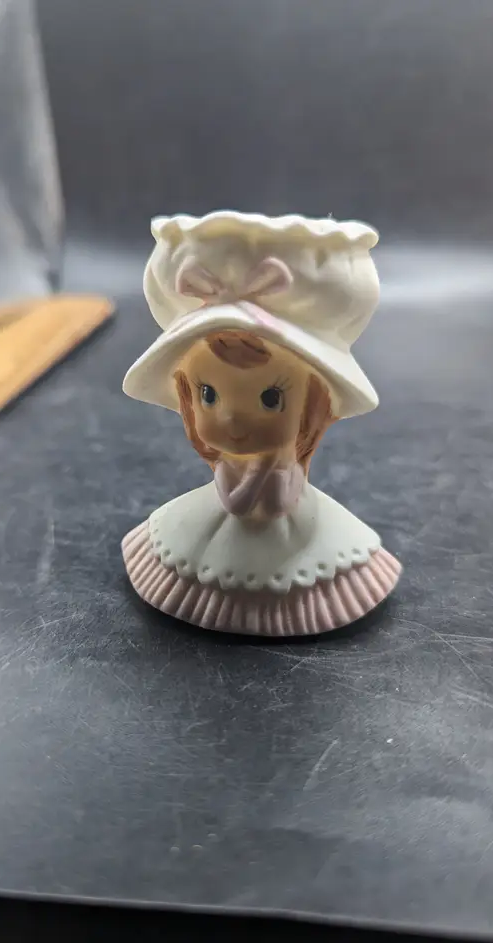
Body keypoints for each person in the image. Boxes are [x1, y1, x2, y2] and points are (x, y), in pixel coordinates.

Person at [122, 211, 401, 636]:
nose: (232, 418)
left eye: (271, 398)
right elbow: (234, 501)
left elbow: (272, 500)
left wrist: (269, 470)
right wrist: (256, 474)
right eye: (207, 394)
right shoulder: (233, 469)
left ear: (314, 403)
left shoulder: (286, 474)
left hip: (294, 538)